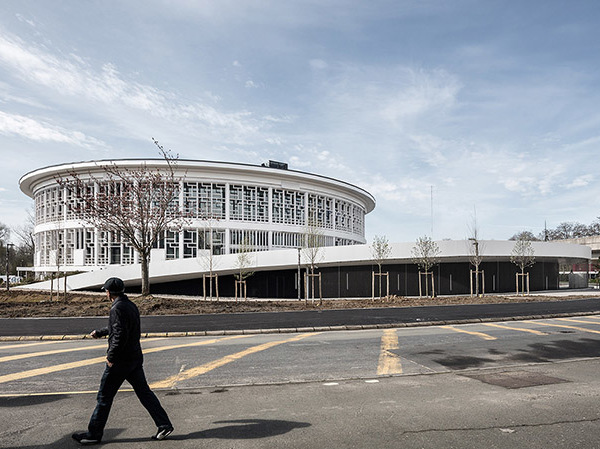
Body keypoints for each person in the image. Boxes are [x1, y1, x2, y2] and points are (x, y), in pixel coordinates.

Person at [72, 277, 173, 445]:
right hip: (134, 358)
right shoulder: (130, 305)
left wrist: (111, 358)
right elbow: (120, 328)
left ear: (109, 292)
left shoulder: (117, 308)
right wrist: (101, 332)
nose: (105, 293)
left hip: (120, 361)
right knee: (144, 393)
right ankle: (164, 424)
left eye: (106, 290)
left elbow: (119, 335)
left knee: (104, 397)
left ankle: (94, 434)